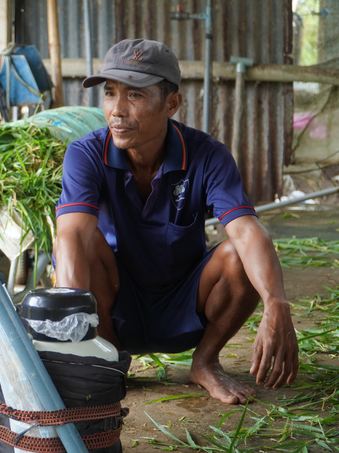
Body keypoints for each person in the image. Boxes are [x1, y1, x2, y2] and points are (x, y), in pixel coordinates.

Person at [54, 38, 298, 405]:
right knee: (80, 240)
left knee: (238, 255)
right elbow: (71, 234)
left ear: (172, 103)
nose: (116, 110)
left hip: (186, 303)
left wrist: (277, 304)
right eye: (109, 93)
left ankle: (204, 362)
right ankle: (104, 365)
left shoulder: (207, 155)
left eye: (134, 95)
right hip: (116, 307)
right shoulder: (86, 153)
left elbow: (246, 231)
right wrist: (73, 335)